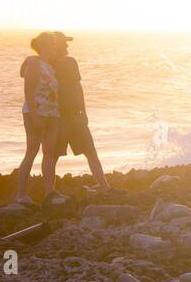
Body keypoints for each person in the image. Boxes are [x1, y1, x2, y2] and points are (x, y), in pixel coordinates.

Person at [45, 32, 125, 197]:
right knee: (53, 156)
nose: (67, 46)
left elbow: (77, 88)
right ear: (55, 45)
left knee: (90, 151)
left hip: (75, 116)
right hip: (59, 117)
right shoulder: (46, 65)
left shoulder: (69, 62)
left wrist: (84, 111)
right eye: (63, 43)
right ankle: (50, 193)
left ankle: (104, 186)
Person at [14, 32, 65, 207]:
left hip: (52, 114)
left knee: (49, 154)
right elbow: (28, 92)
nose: (56, 48)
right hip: (35, 113)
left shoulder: (49, 66)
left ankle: (49, 193)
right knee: (31, 152)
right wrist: (35, 117)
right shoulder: (34, 63)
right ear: (45, 46)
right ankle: (21, 195)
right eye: (53, 44)